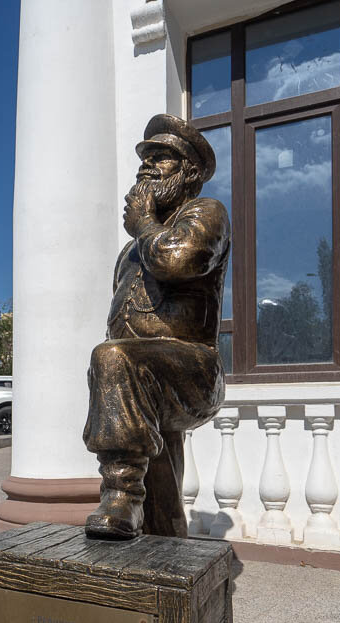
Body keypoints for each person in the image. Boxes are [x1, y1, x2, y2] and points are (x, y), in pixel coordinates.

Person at [83, 113, 230, 540]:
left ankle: (119, 495)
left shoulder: (207, 212)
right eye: (145, 156)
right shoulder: (132, 250)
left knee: (112, 357)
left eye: (161, 157)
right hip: (146, 374)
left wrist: (144, 224)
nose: (146, 164)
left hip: (195, 371)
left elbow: (180, 259)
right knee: (160, 475)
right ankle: (167, 531)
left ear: (190, 173)